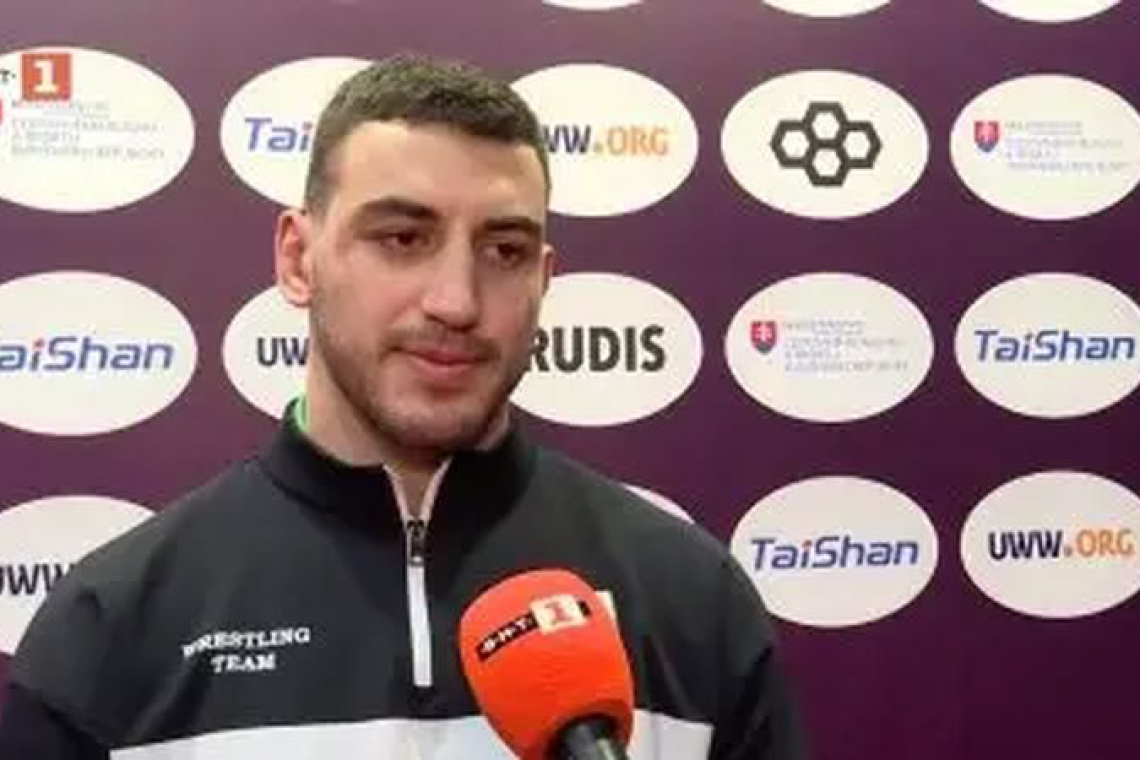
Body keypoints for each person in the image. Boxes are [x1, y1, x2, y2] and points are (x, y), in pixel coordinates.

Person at [0, 53, 807, 760]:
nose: (457, 300)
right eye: (402, 238)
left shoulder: (692, 604)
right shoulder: (110, 628)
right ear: (298, 259)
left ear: (543, 279)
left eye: (504, 250)